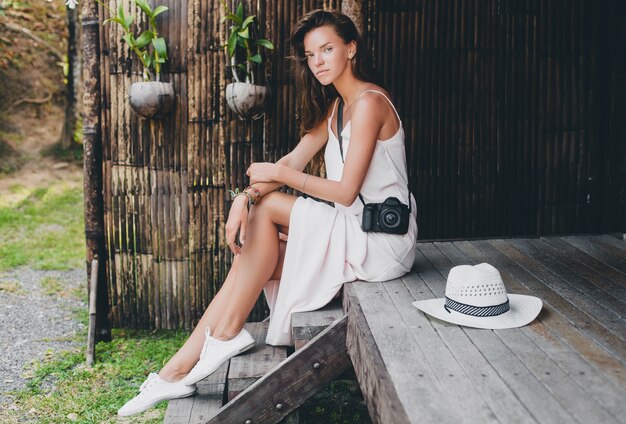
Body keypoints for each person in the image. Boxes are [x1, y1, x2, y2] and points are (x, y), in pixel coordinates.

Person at [117, 9, 418, 417]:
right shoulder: (336, 110)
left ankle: (223, 336)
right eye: (311, 55)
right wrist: (245, 196)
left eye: (328, 49)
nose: (319, 62)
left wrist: (271, 183)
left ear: (351, 48)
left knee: (270, 210)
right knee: (249, 261)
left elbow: (345, 193)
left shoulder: (369, 103)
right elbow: (293, 162)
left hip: (381, 242)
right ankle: (176, 371)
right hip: (351, 232)